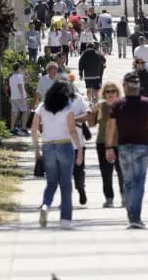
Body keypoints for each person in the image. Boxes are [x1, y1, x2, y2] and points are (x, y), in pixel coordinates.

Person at [105, 72, 148, 229]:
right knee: (139, 182)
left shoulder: (118, 104)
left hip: (124, 147)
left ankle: (131, 215)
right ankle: (135, 216)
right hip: (143, 146)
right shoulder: (147, 103)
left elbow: (111, 127)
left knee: (128, 182)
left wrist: (108, 147)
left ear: (125, 87)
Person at [31, 78, 83, 229]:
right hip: (65, 145)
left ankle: (45, 206)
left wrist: (36, 149)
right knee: (66, 184)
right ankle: (65, 219)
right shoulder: (67, 107)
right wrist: (79, 150)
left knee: (51, 183)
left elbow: (34, 129)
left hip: (47, 147)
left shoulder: (42, 107)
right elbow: (72, 130)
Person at [88, 82, 125, 208]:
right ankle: (109, 198)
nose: (110, 94)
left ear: (117, 92)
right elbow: (91, 124)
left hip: (120, 143)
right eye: (108, 91)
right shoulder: (101, 106)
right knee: (106, 172)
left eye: (113, 91)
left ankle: (124, 197)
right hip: (102, 142)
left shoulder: (123, 106)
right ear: (104, 93)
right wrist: (93, 112)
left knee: (122, 171)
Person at [61, 76, 91, 206]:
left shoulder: (78, 99)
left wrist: (75, 119)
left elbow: (88, 113)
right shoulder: (54, 101)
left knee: (78, 170)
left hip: (77, 142)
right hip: (60, 142)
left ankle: (81, 189)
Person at [8, 62, 30, 136]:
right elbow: (20, 86)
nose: (21, 69)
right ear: (18, 68)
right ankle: (23, 128)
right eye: (21, 68)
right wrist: (22, 97)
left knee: (14, 112)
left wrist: (26, 74)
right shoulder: (20, 76)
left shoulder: (11, 77)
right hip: (20, 97)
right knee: (25, 112)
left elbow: (26, 82)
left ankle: (12, 129)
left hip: (13, 97)